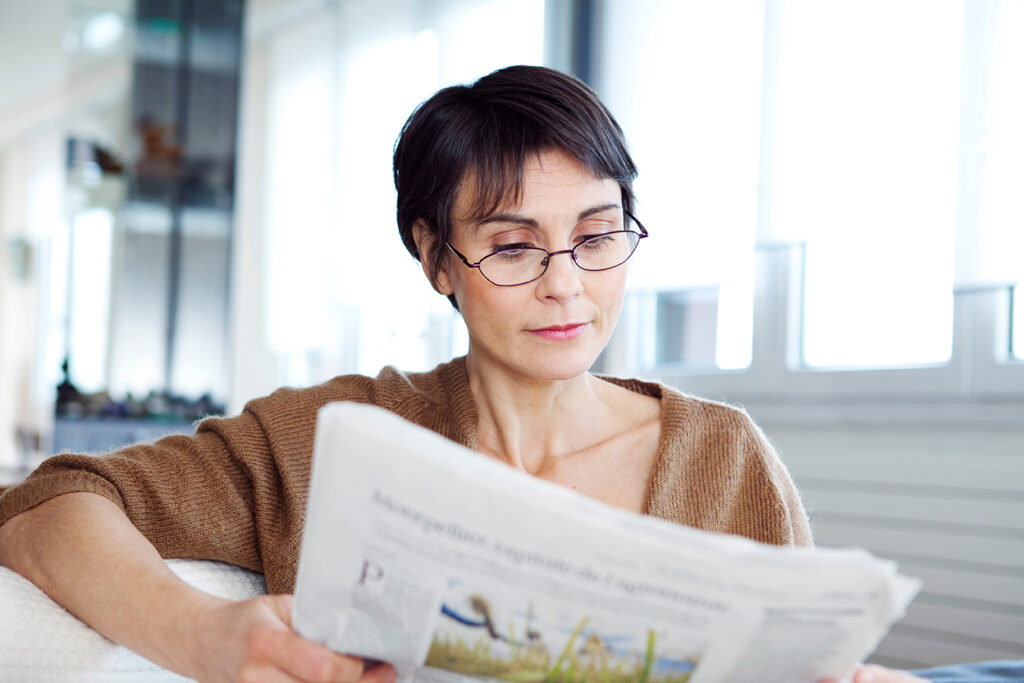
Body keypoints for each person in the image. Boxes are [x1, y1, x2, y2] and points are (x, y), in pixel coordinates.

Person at [0, 65, 934, 683]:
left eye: (599, 235)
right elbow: (52, 504)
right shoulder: (323, 439)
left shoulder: (724, 457)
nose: (567, 285)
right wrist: (200, 634)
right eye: (513, 245)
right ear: (436, 258)